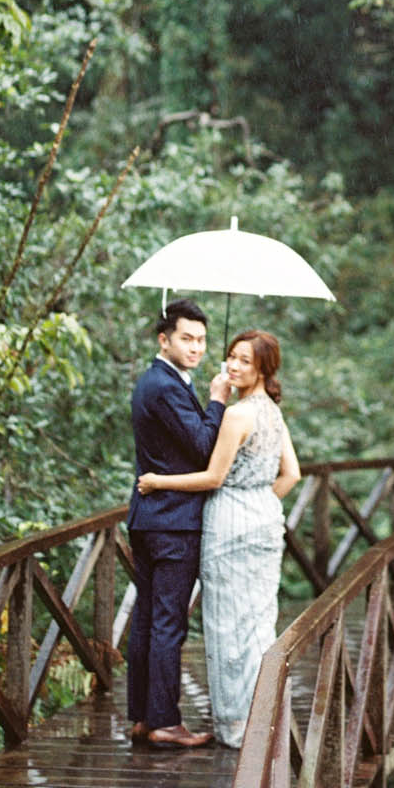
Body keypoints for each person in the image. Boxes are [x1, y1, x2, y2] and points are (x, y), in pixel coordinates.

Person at [137, 327, 301, 748]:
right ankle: (264, 713)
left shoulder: (237, 414)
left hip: (230, 520)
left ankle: (236, 724)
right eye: (231, 356)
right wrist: (259, 505)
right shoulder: (274, 413)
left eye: (244, 360)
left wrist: (159, 480)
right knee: (259, 618)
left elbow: (214, 476)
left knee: (230, 624)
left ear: (263, 368)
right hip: (265, 516)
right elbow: (291, 476)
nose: (233, 364)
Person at [125, 298, 231, 750]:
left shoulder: (156, 380)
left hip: (150, 517)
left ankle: (143, 718)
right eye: (187, 338)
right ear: (163, 339)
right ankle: (165, 722)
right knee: (167, 623)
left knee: (148, 618)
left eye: (202, 340)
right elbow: (206, 445)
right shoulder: (166, 386)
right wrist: (217, 400)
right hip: (171, 523)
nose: (196, 348)